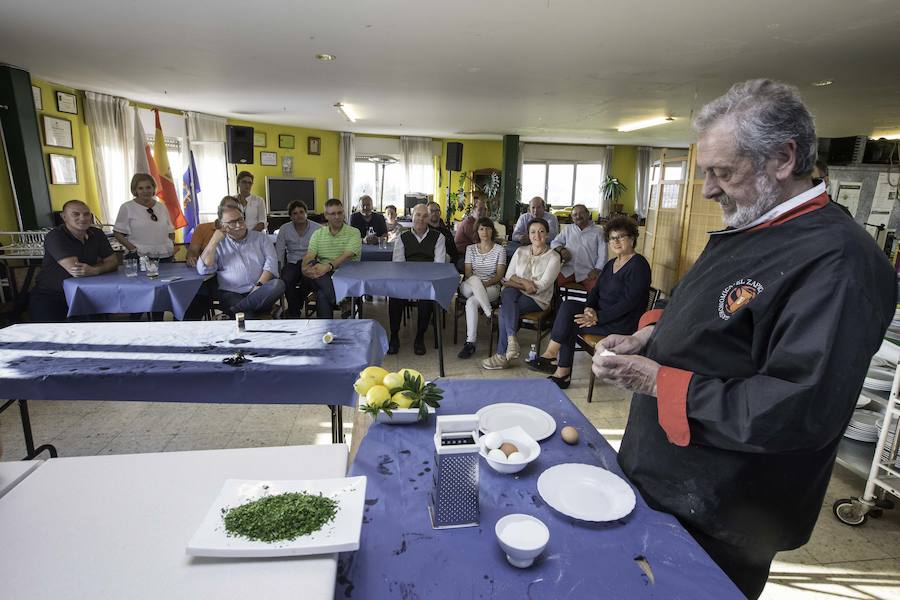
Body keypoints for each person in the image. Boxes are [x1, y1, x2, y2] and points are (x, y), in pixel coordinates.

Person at [591, 79, 896, 599]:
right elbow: (703, 310)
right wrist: (649, 336)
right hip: (666, 476)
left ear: (782, 158)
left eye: (722, 172)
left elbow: (798, 407)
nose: (708, 189)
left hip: (728, 503)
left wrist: (659, 381)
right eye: (704, 172)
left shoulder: (839, 262)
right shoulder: (754, 223)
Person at [529, 216, 650, 388]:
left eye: (621, 237)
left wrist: (598, 317)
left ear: (632, 238)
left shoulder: (639, 265)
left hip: (621, 322)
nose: (616, 241)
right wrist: (589, 309)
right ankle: (551, 356)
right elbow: (595, 292)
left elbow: (628, 303)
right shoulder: (611, 264)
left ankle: (559, 368)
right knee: (569, 305)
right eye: (612, 238)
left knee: (569, 323)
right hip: (601, 315)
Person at [482, 219, 560, 369]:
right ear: (528, 235)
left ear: (547, 235)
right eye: (533, 232)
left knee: (506, 307)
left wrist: (519, 282)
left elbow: (539, 288)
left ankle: (502, 355)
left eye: (541, 231)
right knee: (509, 295)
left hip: (537, 300)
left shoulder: (554, 257)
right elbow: (508, 277)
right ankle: (511, 341)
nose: (537, 235)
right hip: (514, 294)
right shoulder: (520, 251)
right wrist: (526, 283)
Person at [29, 200, 118, 322]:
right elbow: (77, 271)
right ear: (64, 216)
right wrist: (101, 267)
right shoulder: (55, 236)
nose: (83, 218)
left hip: (87, 295)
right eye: (76, 214)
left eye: (87, 214)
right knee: (53, 338)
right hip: (52, 296)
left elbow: (113, 262)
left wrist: (95, 270)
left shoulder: (97, 233)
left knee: (96, 334)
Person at [196, 204, 284, 316]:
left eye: (240, 220)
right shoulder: (219, 244)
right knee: (247, 316)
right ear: (221, 225)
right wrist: (213, 241)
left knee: (278, 284)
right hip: (231, 293)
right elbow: (204, 269)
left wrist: (258, 287)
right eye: (232, 222)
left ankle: (234, 311)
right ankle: (250, 309)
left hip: (261, 289)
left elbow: (271, 264)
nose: (238, 225)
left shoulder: (261, 238)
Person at [388, 203, 446, 355]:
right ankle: (394, 336)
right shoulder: (402, 237)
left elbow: (439, 265)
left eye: (424, 215)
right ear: (412, 217)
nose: (421, 219)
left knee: (427, 298)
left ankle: (419, 337)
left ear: (428, 218)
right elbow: (398, 265)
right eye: (418, 215)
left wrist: (424, 279)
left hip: (427, 281)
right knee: (394, 296)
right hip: (406, 280)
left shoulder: (438, 237)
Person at [302, 198, 361, 318]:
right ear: (326, 216)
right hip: (322, 274)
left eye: (340, 213)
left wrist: (328, 267)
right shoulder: (318, 234)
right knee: (313, 266)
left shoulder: (354, 232)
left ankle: (325, 332)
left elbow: (346, 256)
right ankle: (343, 302)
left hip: (346, 274)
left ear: (344, 213)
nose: (337, 217)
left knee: (322, 294)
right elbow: (310, 255)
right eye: (332, 214)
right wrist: (304, 267)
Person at [457, 217, 507, 359]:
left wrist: (483, 285)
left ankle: (470, 343)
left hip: (491, 287)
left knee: (471, 302)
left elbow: (499, 275)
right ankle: (490, 314)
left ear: (493, 231)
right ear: (477, 232)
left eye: (488, 228)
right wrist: (478, 284)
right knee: (473, 279)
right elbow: (468, 273)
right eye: (481, 228)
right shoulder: (470, 249)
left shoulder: (499, 250)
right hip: (469, 286)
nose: (485, 231)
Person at [113, 173, 175, 259]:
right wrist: (133, 249)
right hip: (139, 256)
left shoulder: (161, 207)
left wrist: (170, 244)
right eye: (141, 188)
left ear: (153, 188)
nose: (145, 191)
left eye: (148, 187)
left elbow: (170, 230)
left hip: (164, 255)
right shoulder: (127, 207)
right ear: (135, 190)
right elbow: (117, 232)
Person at [276, 200, 320, 318]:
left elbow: (322, 249)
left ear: (306, 213)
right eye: (295, 213)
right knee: (286, 280)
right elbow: (279, 250)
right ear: (290, 216)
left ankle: (295, 308)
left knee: (308, 278)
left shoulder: (317, 228)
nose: (299, 215)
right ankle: (295, 311)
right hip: (292, 262)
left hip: (310, 261)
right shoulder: (284, 229)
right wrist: (279, 269)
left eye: (301, 212)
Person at [550, 203, 607, 292]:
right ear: (572, 217)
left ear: (588, 214)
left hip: (588, 271)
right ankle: (558, 305)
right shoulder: (568, 229)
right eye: (575, 215)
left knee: (597, 291)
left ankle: (589, 306)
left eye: (581, 213)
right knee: (551, 283)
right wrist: (562, 249)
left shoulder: (598, 231)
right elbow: (554, 242)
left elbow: (603, 254)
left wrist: (597, 270)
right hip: (569, 270)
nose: (578, 216)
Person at [185, 196, 242, 267]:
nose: (231, 212)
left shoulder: (241, 232)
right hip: (206, 271)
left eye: (235, 209)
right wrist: (191, 258)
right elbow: (193, 251)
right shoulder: (201, 228)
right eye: (228, 208)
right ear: (219, 210)